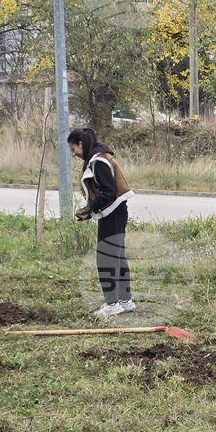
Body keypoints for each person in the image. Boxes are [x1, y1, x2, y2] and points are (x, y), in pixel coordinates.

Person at [69, 127, 136, 319]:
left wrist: (89, 208)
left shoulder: (98, 162)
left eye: (73, 149)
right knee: (117, 257)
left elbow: (108, 192)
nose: (74, 154)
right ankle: (125, 301)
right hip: (117, 211)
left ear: (81, 144)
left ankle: (112, 304)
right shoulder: (101, 155)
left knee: (105, 259)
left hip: (113, 213)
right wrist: (91, 211)